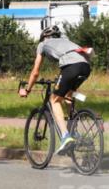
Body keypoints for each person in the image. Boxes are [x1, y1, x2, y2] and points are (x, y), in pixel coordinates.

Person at [19, 25, 92, 154]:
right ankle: (74, 131)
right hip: (86, 67)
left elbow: (35, 72)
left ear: (44, 37)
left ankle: (65, 137)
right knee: (68, 95)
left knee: (54, 100)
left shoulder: (42, 44)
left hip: (71, 67)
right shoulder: (66, 40)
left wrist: (27, 89)